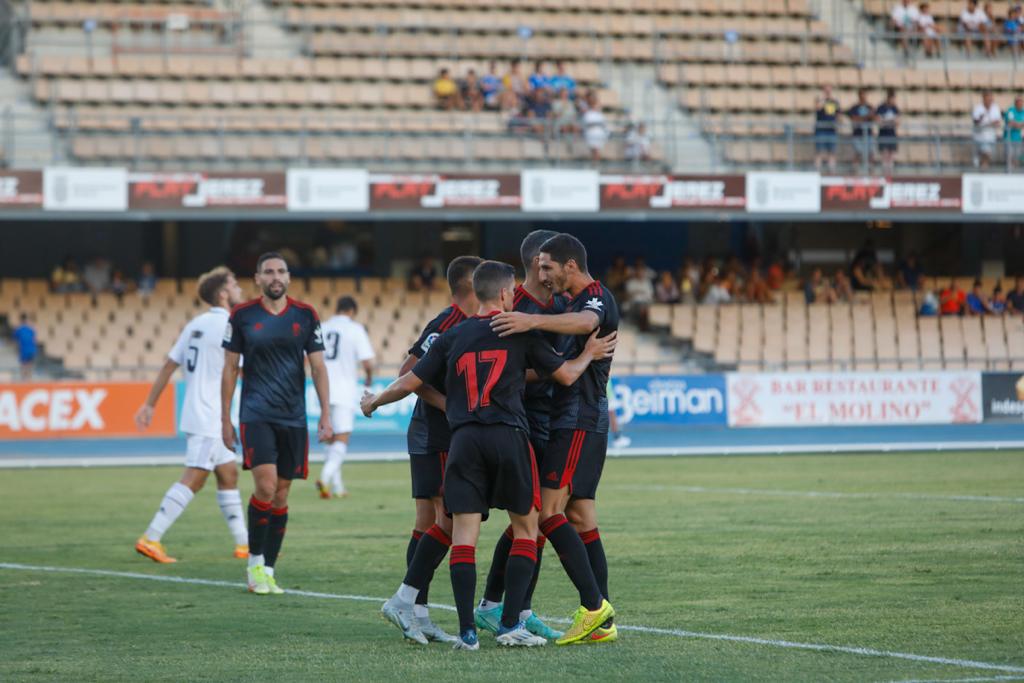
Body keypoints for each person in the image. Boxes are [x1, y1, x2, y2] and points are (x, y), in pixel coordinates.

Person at [366, 260, 618, 650]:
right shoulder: (517, 330)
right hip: (508, 437)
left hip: (464, 440)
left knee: (462, 533)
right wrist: (589, 353)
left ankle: (467, 632)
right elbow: (565, 375)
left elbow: (409, 381)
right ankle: (509, 624)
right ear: (505, 294)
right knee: (526, 527)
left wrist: (375, 401)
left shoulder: (453, 336)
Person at [489, 233, 622, 645]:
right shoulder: (566, 302)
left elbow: (586, 325)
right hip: (571, 418)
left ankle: (594, 608)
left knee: (545, 515)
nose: (542, 274)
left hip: (575, 417)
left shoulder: (594, 300)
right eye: (538, 266)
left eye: (548, 266)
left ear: (569, 266)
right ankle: (600, 619)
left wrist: (530, 322)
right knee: (579, 515)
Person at [221, 252, 332, 595]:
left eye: (280, 271)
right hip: (256, 415)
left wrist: (326, 413)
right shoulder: (241, 316)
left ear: (288, 277)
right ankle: (254, 562)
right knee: (266, 487)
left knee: (282, 495)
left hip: (294, 417)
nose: (275, 277)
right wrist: (224, 418)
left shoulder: (305, 314)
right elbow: (229, 369)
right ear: (257, 279)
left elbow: (318, 367)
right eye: (268, 272)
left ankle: (268, 568)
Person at [475, 231, 567, 642]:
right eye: (551, 264)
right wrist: (556, 368)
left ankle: (511, 607)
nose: (558, 271)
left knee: (536, 522)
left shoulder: (561, 305)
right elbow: (501, 368)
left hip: (556, 419)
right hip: (524, 421)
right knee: (530, 520)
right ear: (536, 265)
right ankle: (503, 607)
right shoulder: (515, 308)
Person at [385, 255, 482, 644]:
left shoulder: (475, 323)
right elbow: (407, 372)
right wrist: (449, 406)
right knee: (440, 519)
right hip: (434, 433)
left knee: (429, 522)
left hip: (445, 434)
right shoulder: (446, 324)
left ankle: (417, 611)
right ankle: (410, 605)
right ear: (472, 285)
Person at [133, 267, 248, 563]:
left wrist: (149, 404)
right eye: (234, 284)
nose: (240, 289)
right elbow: (243, 368)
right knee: (195, 478)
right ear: (222, 293)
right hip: (212, 415)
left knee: (228, 474)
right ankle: (151, 537)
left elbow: (169, 365)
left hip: (201, 412)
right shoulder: (229, 325)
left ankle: (244, 544)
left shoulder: (195, 324)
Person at [315, 296, 375, 500]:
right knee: (342, 438)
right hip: (343, 390)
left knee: (330, 440)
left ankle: (337, 487)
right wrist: (368, 379)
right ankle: (324, 477)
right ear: (352, 311)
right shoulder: (355, 329)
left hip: (321, 389)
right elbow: (367, 362)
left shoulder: (322, 327)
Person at [972, 91, 1003, 168]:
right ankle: (982, 167)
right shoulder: (978, 108)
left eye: (990, 99)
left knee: (987, 153)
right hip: (980, 134)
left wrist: (988, 123)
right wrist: (983, 119)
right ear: (983, 99)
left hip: (990, 134)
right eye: (987, 98)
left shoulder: (995, 108)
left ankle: (983, 167)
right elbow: (976, 121)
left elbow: (998, 122)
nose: (989, 100)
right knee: (983, 153)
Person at [847, 89, 877, 168]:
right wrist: (867, 116)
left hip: (869, 134)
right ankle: (855, 170)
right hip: (857, 134)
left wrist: (870, 116)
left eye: (865, 95)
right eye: (862, 95)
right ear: (859, 96)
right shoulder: (854, 108)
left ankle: (871, 170)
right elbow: (854, 119)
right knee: (858, 152)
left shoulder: (870, 107)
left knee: (871, 153)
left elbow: (875, 118)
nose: (864, 97)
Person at [814, 86, 840, 172]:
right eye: (826, 90)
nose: (828, 92)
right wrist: (824, 100)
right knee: (819, 152)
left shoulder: (834, 102)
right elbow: (817, 108)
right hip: (821, 130)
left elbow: (838, 115)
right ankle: (818, 170)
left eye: (829, 90)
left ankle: (831, 171)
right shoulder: (820, 100)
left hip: (831, 130)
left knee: (832, 152)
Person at [876, 89, 901, 176]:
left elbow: (897, 122)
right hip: (883, 134)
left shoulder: (895, 108)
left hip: (892, 134)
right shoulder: (881, 108)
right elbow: (879, 122)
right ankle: (884, 173)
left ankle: (891, 173)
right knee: (884, 154)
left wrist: (887, 121)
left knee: (891, 154)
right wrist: (890, 121)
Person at [581, 92, 608, 162]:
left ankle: (596, 162)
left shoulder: (599, 113)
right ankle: (595, 163)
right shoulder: (587, 112)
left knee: (596, 150)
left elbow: (603, 123)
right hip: (591, 132)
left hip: (598, 132)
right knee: (594, 150)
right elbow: (587, 121)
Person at [12, 313, 37, 381]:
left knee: (24, 365)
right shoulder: (31, 328)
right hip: (30, 349)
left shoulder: (19, 329)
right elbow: (34, 339)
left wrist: (16, 349)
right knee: (29, 365)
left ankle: (25, 379)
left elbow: (15, 339)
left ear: (21, 320)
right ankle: (28, 379)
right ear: (26, 319)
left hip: (24, 349)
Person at [1004, 94, 1024, 168]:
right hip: (1009, 138)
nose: (1020, 103)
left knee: (1017, 158)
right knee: (1009, 157)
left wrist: (1017, 124)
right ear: (1015, 102)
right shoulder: (1011, 111)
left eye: (1021, 101)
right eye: (1018, 101)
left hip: (1018, 139)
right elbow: (1011, 122)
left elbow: (1015, 123)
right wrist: (1020, 124)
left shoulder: (1023, 111)